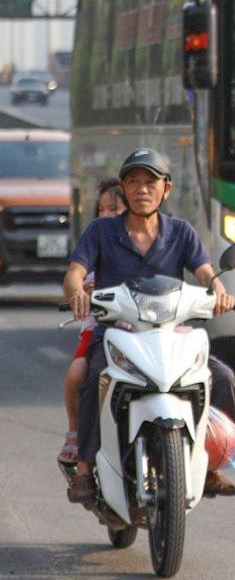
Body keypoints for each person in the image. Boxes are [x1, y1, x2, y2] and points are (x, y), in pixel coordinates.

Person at [62, 148, 235, 504]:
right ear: (124, 188)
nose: (141, 189)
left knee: (223, 379)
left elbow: (206, 273)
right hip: (116, 336)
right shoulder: (101, 231)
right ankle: (84, 471)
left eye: (150, 182)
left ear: (167, 189)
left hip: (171, 335)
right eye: (133, 182)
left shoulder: (182, 232)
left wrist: (220, 292)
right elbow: (75, 273)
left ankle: (212, 466)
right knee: (92, 379)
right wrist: (76, 294)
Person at [56, 177, 127, 467]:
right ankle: (76, 434)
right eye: (103, 209)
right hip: (100, 332)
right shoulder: (95, 241)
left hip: (147, 330)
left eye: (115, 208)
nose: (108, 215)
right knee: (77, 374)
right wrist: (79, 295)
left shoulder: (162, 236)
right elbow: (76, 279)